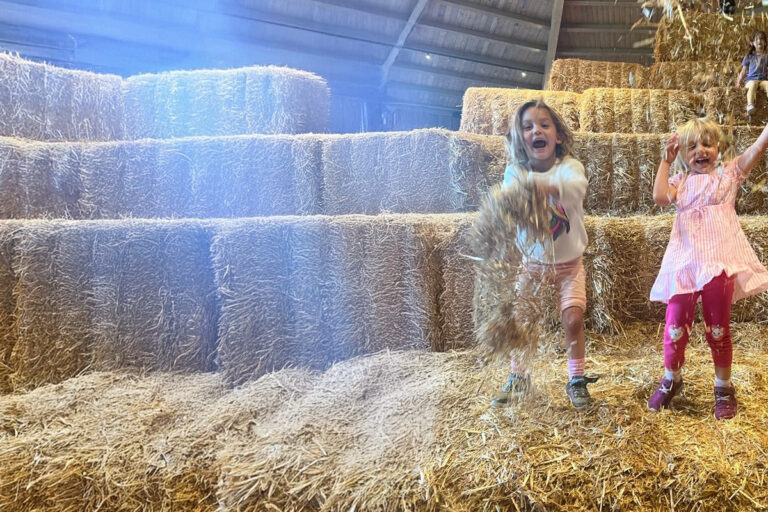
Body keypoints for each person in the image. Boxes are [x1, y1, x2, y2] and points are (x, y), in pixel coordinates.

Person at [648, 117, 768, 420]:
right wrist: (666, 160)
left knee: (718, 328)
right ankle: (671, 379)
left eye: (707, 144)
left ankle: (723, 387)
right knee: (675, 327)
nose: (700, 151)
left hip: (718, 263)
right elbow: (660, 197)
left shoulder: (728, 175)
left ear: (718, 148)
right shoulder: (681, 180)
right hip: (684, 263)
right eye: (692, 147)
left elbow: (754, 152)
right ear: (683, 154)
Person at [490, 99, 597, 409]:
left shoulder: (570, 168)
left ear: (558, 136)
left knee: (573, 320)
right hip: (532, 264)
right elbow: (510, 198)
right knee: (521, 319)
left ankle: (576, 378)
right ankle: (518, 377)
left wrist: (546, 189)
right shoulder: (515, 172)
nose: (536, 130)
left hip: (570, 266)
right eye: (528, 126)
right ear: (520, 138)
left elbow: (576, 189)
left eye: (544, 125)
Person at [736, 30, 768, 114]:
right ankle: (750, 104)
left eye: (761, 39)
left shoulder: (766, 56)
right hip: (750, 81)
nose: (759, 41)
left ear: (765, 42)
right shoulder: (749, 56)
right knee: (753, 84)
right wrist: (738, 82)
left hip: (762, 80)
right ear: (753, 43)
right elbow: (743, 71)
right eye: (756, 39)